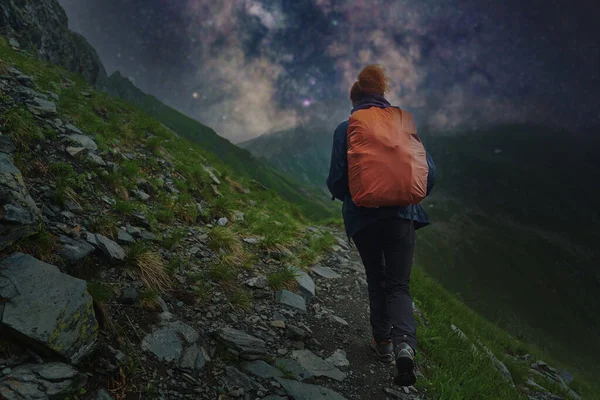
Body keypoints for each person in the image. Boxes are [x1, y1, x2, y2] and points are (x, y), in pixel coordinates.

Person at [326, 64, 436, 387]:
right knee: (399, 285)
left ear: (355, 98)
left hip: (364, 218)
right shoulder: (401, 123)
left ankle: (383, 344)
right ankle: (405, 345)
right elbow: (430, 173)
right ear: (382, 94)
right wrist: (407, 195)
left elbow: (335, 181)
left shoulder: (346, 128)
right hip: (403, 215)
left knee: (377, 278)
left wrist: (349, 192)